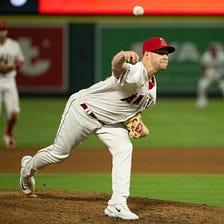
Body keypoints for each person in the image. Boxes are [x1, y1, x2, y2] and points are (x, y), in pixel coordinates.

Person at [19, 37, 175, 220]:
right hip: (83, 111)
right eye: (161, 52)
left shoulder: (152, 91)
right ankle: (27, 170)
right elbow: (117, 67)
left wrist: (140, 127)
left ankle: (117, 204)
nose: (165, 56)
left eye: (167, 53)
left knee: (124, 148)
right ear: (147, 55)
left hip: (109, 123)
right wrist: (122, 56)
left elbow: (130, 111)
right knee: (59, 153)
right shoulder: (135, 71)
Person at [0, 20, 25, 148]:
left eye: (3, 30)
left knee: (14, 112)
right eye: (0, 30)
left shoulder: (13, 45)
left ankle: (8, 133)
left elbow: (21, 60)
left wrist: (13, 66)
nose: (2, 32)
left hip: (9, 81)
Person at [196, 42, 224, 108]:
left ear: (216, 50)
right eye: (211, 49)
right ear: (209, 50)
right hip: (210, 71)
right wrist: (203, 74)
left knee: (223, 87)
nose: (213, 50)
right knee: (202, 86)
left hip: (220, 72)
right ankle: (202, 103)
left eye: (214, 49)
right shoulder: (206, 56)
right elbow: (203, 66)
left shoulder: (222, 56)